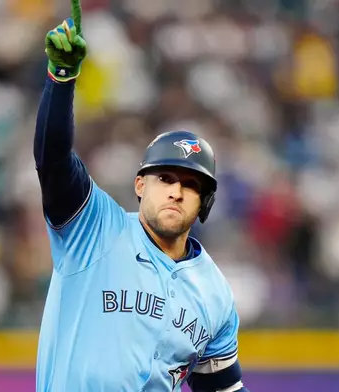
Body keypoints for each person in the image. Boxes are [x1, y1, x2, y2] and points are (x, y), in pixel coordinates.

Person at [33, 2, 249, 391]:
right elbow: (53, 162)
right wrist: (61, 78)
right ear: (139, 185)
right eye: (165, 177)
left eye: (191, 185)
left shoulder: (215, 293)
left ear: (205, 204)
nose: (176, 191)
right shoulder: (94, 230)